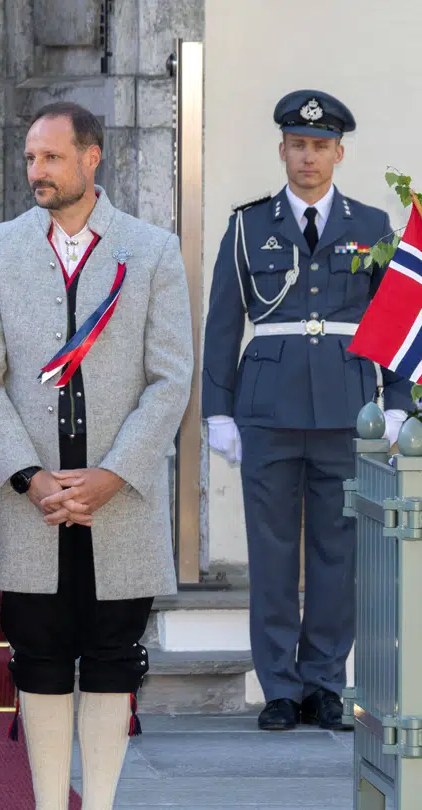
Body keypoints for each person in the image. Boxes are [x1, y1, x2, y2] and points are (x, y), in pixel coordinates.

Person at [0, 102, 192, 810]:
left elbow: (171, 376)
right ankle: (48, 801)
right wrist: (29, 477)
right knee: (38, 656)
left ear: (92, 158)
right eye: (31, 158)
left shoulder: (150, 250)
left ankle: (103, 802)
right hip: (26, 501)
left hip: (118, 499)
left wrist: (114, 474)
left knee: (114, 655)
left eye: (52, 157)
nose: (37, 171)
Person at [201, 89, 408, 731]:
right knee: (269, 554)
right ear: (283, 149)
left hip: (347, 410)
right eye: (298, 145)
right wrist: (219, 411)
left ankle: (324, 683)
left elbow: (397, 319)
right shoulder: (248, 225)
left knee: (336, 551)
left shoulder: (371, 226)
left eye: (321, 147)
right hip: (267, 410)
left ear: (339, 153)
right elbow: (223, 323)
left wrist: (396, 404)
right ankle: (281, 690)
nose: (309, 157)